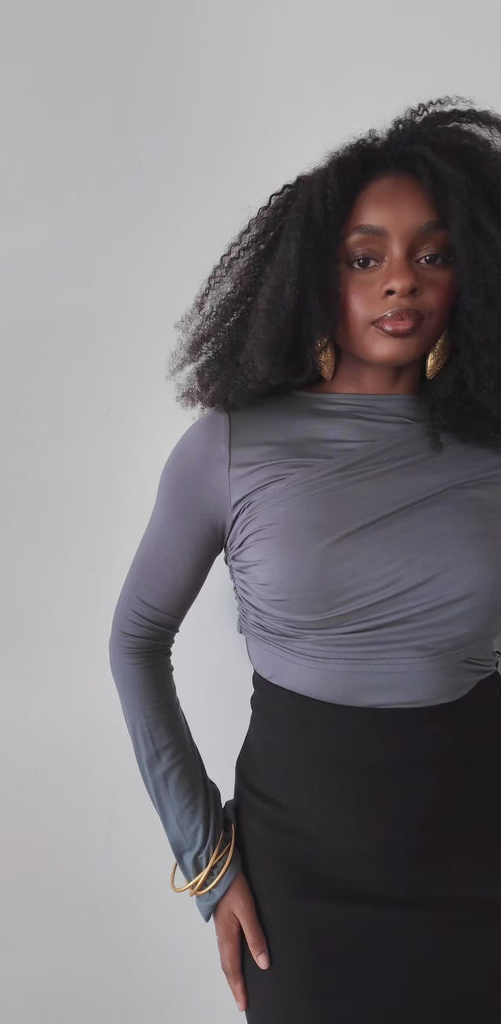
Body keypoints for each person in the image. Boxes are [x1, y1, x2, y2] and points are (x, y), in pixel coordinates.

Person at [108, 95, 501, 1022]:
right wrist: (208, 862)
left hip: (480, 864)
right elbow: (136, 641)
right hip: (299, 884)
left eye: (432, 256)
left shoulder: (490, 456)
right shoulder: (230, 447)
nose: (400, 283)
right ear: (315, 277)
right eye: (366, 259)